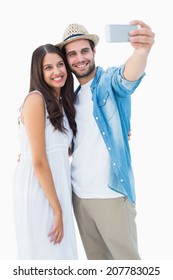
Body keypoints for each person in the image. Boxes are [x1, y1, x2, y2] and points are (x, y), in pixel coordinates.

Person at [55, 20, 155, 260]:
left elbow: (127, 78)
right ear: (67, 60)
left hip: (110, 195)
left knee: (128, 266)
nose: (80, 58)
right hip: (79, 197)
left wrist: (141, 51)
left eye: (84, 51)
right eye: (72, 54)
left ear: (94, 51)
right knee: (98, 266)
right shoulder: (71, 99)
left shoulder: (108, 82)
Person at [13, 44, 78, 260]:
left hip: (57, 187)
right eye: (48, 67)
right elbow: (39, 161)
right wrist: (57, 209)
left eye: (60, 64)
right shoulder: (35, 100)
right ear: (38, 73)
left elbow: (60, 151)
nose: (57, 71)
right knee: (46, 255)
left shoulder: (61, 104)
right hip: (40, 190)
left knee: (62, 256)